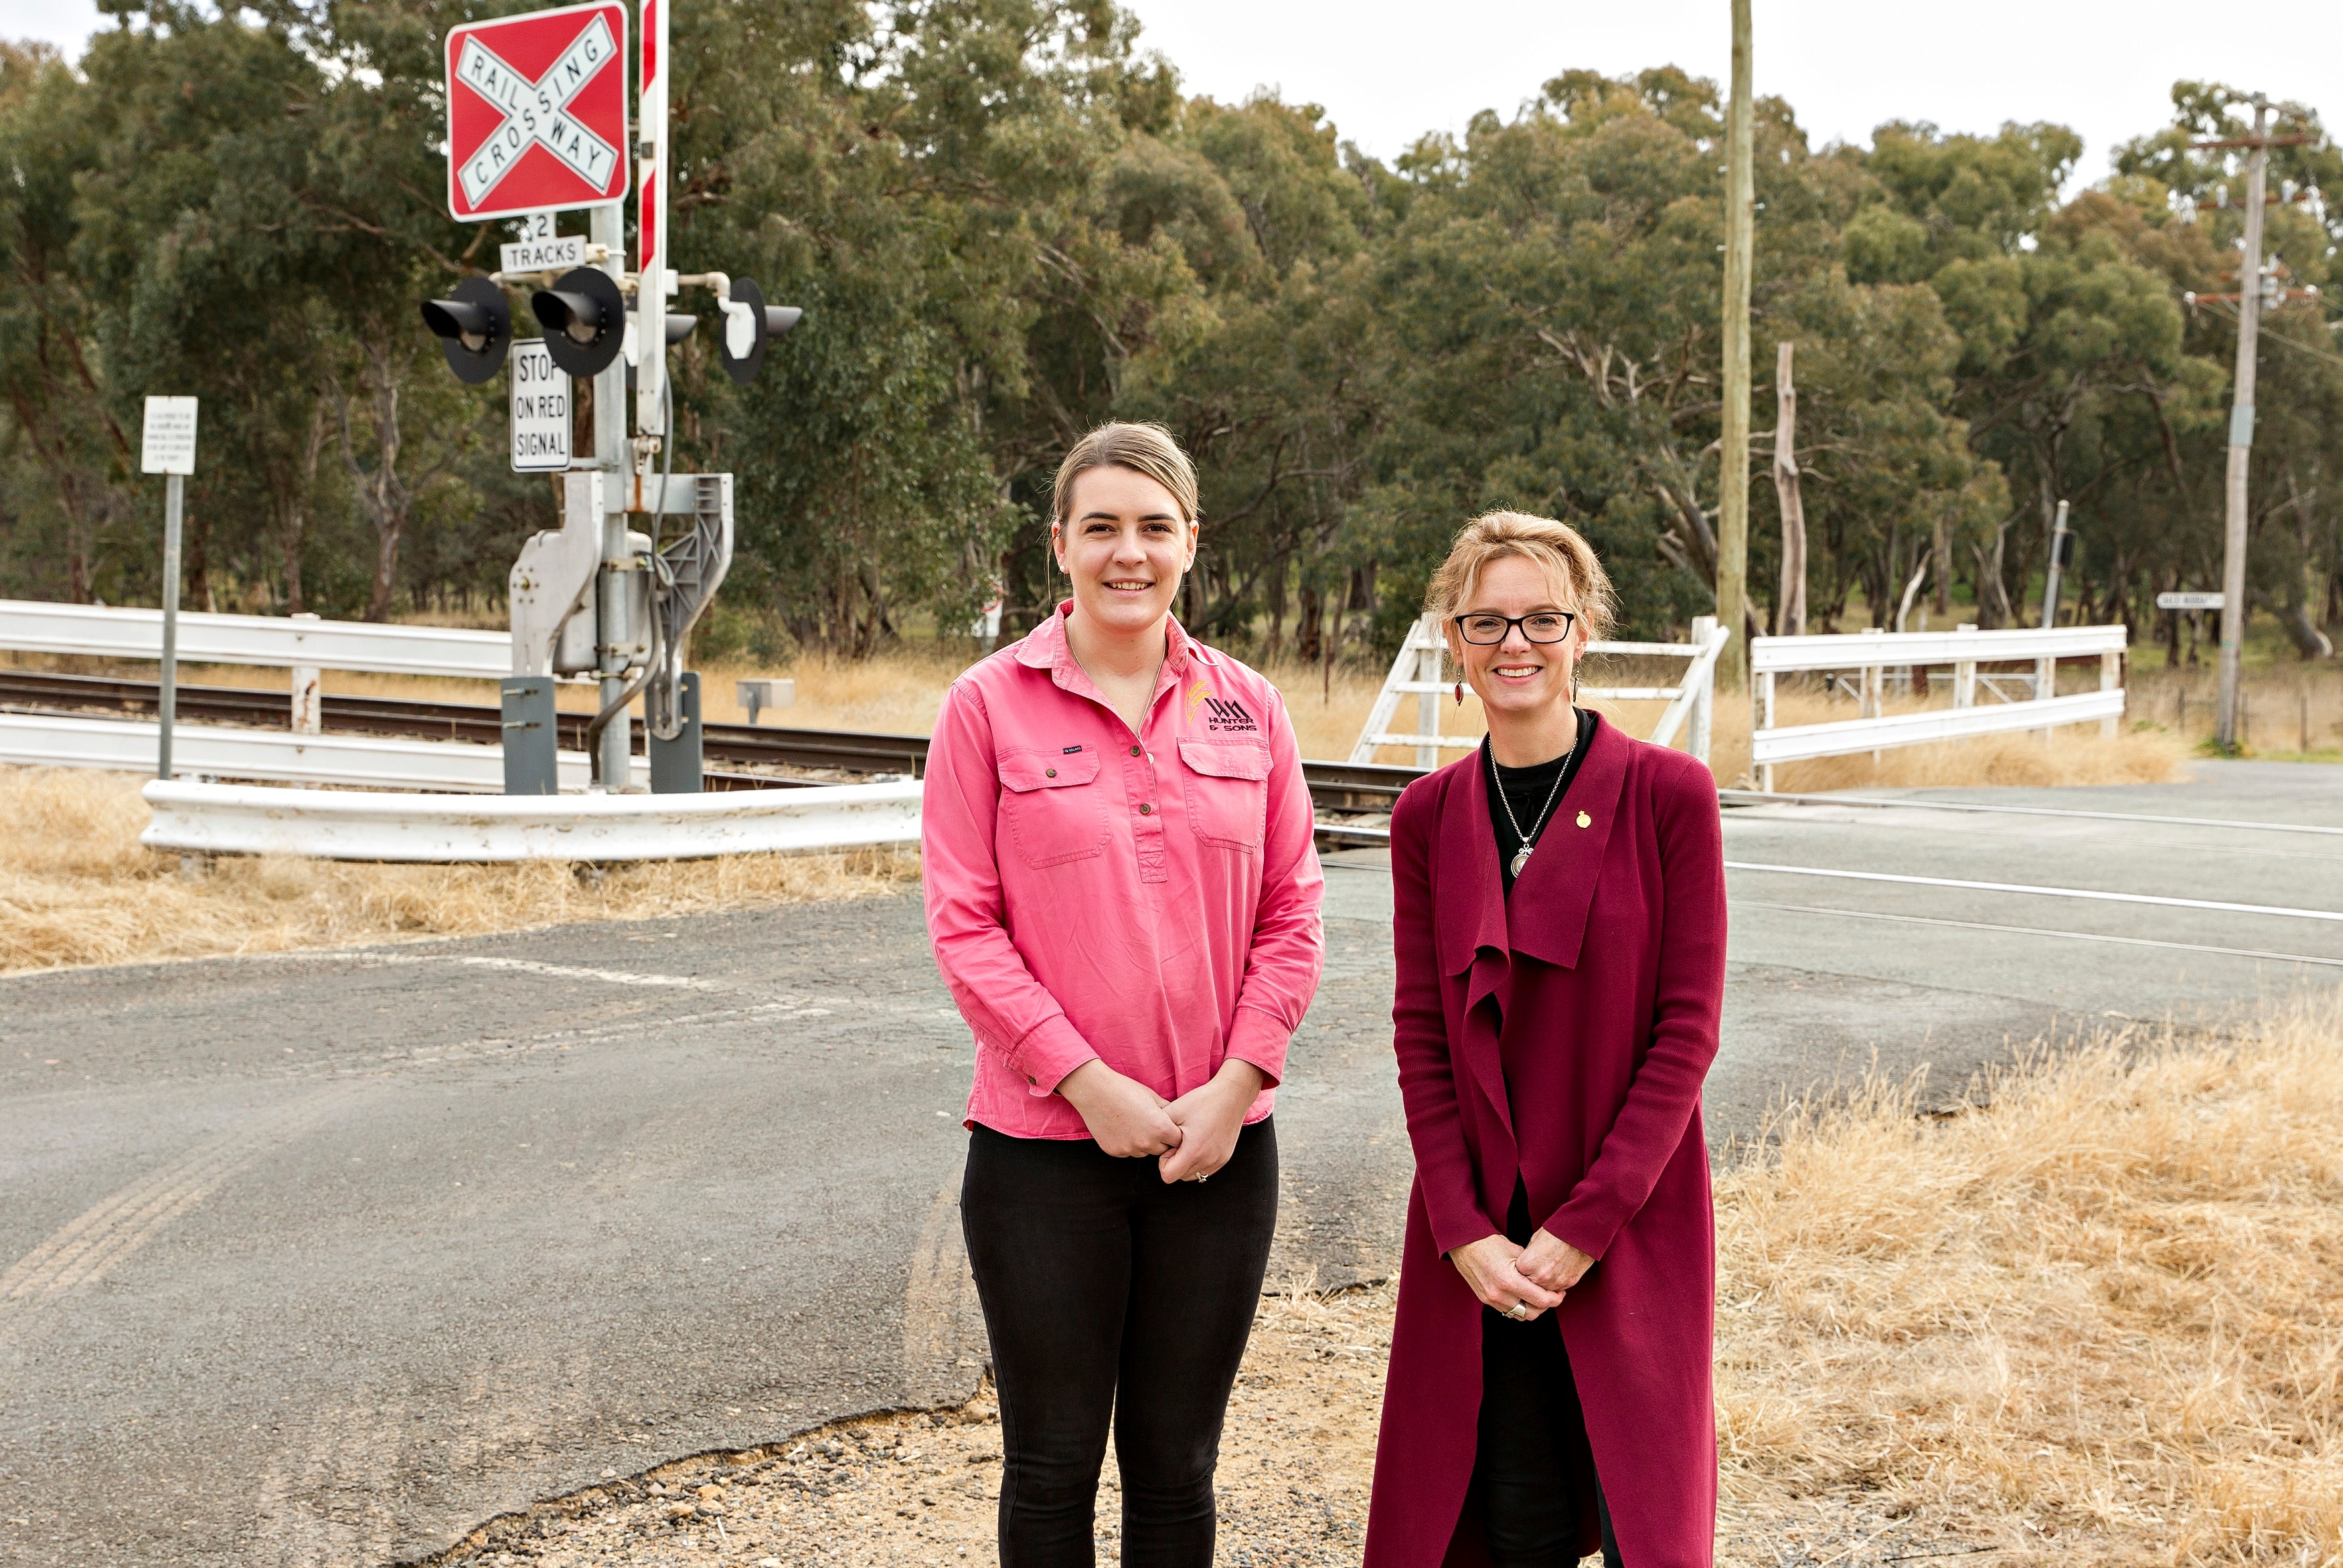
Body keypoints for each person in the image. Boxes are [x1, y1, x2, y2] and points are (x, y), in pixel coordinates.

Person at [921, 421, 1325, 1567]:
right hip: (1043, 1157)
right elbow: (965, 929)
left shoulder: (1249, 706)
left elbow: (1294, 915)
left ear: (1191, 541)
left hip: (1217, 1152)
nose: (1128, 552)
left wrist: (1236, 1085)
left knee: (1177, 1469)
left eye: (1154, 527)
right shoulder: (986, 706)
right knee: (1051, 1468)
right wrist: (1088, 1085)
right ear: (1060, 544)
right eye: (1100, 527)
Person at [1363, 512, 1728, 1568]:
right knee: (1506, 1518)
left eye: (1541, 619)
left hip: (1631, 1214)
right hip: (1482, 1235)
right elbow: (1421, 1034)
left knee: (1642, 1521)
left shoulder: (1669, 795)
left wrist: (1588, 1222)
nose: (1513, 643)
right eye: (1487, 621)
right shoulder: (1427, 816)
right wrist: (1462, 1230)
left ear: (1583, 631)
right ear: (1455, 641)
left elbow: (1688, 1030)